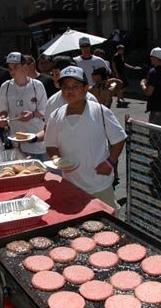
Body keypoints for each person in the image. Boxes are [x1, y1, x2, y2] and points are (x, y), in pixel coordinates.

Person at [45, 66, 127, 210]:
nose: (70, 91)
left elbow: (119, 138)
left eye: (75, 86)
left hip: (99, 184)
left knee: (107, 223)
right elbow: (51, 144)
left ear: (85, 88)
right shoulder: (55, 116)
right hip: (71, 184)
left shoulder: (100, 111)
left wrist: (110, 163)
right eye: (65, 87)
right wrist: (55, 158)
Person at [0, 52, 48, 161]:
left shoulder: (36, 85)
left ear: (25, 66)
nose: (12, 70)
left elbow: (44, 111)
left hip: (36, 141)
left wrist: (32, 115)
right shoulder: (6, 86)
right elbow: (3, 109)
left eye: (15, 66)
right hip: (16, 142)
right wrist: (2, 118)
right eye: (9, 68)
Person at [45, 56, 98, 121]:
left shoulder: (90, 100)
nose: (54, 78)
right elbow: (47, 128)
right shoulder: (52, 102)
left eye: (56, 74)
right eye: (53, 74)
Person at [140, 47, 161, 128]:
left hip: (156, 108)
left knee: (155, 135)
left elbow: (148, 92)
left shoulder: (153, 72)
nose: (150, 59)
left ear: (156, 58)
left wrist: (142, 84)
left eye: (151, 57)